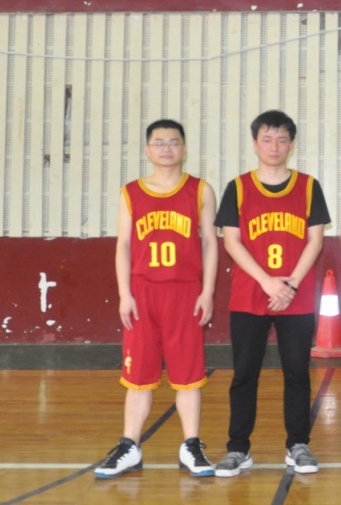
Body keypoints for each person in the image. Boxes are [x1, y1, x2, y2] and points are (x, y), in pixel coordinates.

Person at [96, 119, 218, 479]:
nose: (167, 148)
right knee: (138, 375)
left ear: (184, 148)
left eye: (174, 142)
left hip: (185, 292)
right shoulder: (131, 192)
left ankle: (191, 445)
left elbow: (210, 243)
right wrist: (124, 293)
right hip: (143, 292)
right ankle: (130, 446)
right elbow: (123, 245)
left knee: (188, 375)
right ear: (148, 150)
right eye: (159, 142)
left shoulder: (200, 190)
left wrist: (207, 291)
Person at [213, 110, 330, 477]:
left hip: (296, 295)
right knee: (244, 374)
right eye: (267, 139)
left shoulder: (308, 186)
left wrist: (290, 284)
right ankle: (238, 448)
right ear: (255, 144)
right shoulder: (238, 187)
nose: (274, 146)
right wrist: (266, 281)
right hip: (251, 294)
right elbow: (231, 241)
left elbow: (315, 240)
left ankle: (298, 444)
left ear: (291, 144)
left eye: (282, 139)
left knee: (297, 372)